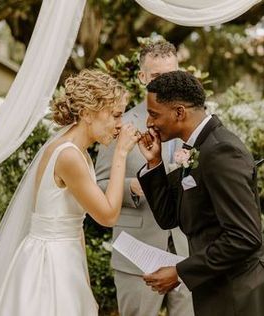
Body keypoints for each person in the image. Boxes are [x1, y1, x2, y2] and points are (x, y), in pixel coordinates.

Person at [0, 69, 140, 316]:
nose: (120, 125)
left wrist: (84, 285)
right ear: (88, 113)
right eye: (115, 115)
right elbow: (108, 215)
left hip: (66, 261)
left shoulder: (79, 153)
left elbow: (75, 226)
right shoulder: (68, 156)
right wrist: (121, 154)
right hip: (48, 267)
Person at [137, 70, 264, 316]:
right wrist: (155, 164)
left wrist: (180, 272)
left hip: (241, 292)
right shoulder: (197, 148)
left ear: (179, 112)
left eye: (154, 114)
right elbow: (169, 217)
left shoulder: (221, 151)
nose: (148, 123)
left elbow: (244, 236)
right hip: (219, 287)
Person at [95, 41, 193, 316]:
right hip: (138, 253)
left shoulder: (193, 121)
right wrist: (135, 187)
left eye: (172, 75)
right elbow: (99, 185)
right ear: (142, 78)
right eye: (156, 78)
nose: (166, 84)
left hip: (188, 251)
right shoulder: (119, 125)